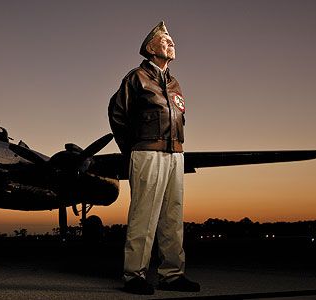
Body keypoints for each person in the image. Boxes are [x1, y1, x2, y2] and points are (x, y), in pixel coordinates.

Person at [108, 21, 200, 295]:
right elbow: (117, 114)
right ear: (150, 48)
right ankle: (134, 275)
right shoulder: (136, 77)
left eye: (172, 40)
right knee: (143, 216)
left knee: (173, 216)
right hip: (146, 152)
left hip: (176, 153)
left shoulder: (174, 83)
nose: (172, 43)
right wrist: (135, 149)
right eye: (165, 40)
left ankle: (172, 275)